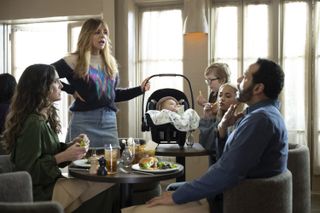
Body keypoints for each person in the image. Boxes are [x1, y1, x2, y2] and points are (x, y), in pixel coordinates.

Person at [122, 58, 288, 213]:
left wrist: (178, 196)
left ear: (258, 88)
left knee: (136, 210)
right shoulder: (259, 115)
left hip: (226, 199)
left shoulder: (260, 120)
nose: (238, 80)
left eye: (245, 77)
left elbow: (227, 172)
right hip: (225, 191)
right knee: (170, 191)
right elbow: (228, 160)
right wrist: (222, 131)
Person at [2, 64, 116, 212]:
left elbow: (47, 152)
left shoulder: (43, 118)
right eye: (56, 81)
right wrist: (62, 157)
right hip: (42, 192)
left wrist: (70, 146)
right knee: (107, 184)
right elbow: (28, 171)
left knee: (106, 184)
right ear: (42, 88)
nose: (61, 85)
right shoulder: (34, 123)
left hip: (51, 184)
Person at [52, 18, 150, 150]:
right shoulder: (74, 60)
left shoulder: (110, 62)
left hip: (109, 122)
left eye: (105, 32)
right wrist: (71, 90)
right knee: (79, 166)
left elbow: (112, 95)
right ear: (87, 35)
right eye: (97, 32)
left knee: (111, 165)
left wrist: (140, 89)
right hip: (83, 121)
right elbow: (45, 73)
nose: (102, 35)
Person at [199, 83, 245, 165]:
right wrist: (208, 117)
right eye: (220, 95)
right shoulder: (218, 118)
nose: (222, 99)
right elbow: (206, 145)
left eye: (227, 96)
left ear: (237, 100)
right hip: (216, 167)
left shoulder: (239, 120)